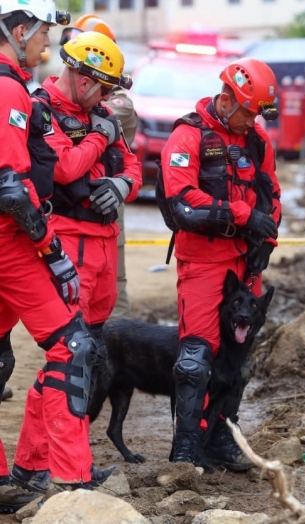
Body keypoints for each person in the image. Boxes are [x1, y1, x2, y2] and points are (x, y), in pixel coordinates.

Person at [7, 29, 142, 498]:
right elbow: (63, 168)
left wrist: (122, 187)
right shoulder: (40, 109)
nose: (108, 98)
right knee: (70, 357)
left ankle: (35, 468)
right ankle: (47, 468)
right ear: (83, 78)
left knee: (83, 355)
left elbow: (133, 163)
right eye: (104, 87)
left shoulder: (100, 113)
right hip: (67, 244)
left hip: (103, 246)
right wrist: (100, 141)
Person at [0, 0, 108, 512]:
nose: (48, 45)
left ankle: (6, 480)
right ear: (19, 30)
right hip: (9, 243)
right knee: (73, 348)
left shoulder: (18, 90)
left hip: (13, 239)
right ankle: (71, 483)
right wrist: (52, 250)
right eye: (44, 34)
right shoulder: (7, 90)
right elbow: (12, 190)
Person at [160, 57, 282, 470]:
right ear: (227, 99)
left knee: (238, 360)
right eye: (248, 111)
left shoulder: (257, 140)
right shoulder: (188, 135)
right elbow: (181, 198)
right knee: (196, 359)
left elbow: (272, 196)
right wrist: (244, 216)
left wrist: (267, 238)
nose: (252, 121)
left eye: (257, 114)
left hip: (246, 260)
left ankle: (221, 439)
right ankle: (186, 448)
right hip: (204, 258)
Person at [59, 14, 139, 319]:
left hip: (106, 205)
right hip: (70, 214)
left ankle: (113, 354)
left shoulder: (115, 102)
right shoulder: (64, 101)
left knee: (112, 289)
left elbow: (112, 131)